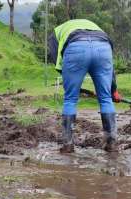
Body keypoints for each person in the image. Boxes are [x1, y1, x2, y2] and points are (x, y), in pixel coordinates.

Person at [48, 19, 121, 153]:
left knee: (70, 99)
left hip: (76, 48)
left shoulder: (56, 33)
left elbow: (56, 58)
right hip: (103, 48)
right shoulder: (95, 26)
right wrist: (113, 89)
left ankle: (68, 145)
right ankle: (112, 144)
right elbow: (111, 67)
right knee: (105, 98)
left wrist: (66, 77)